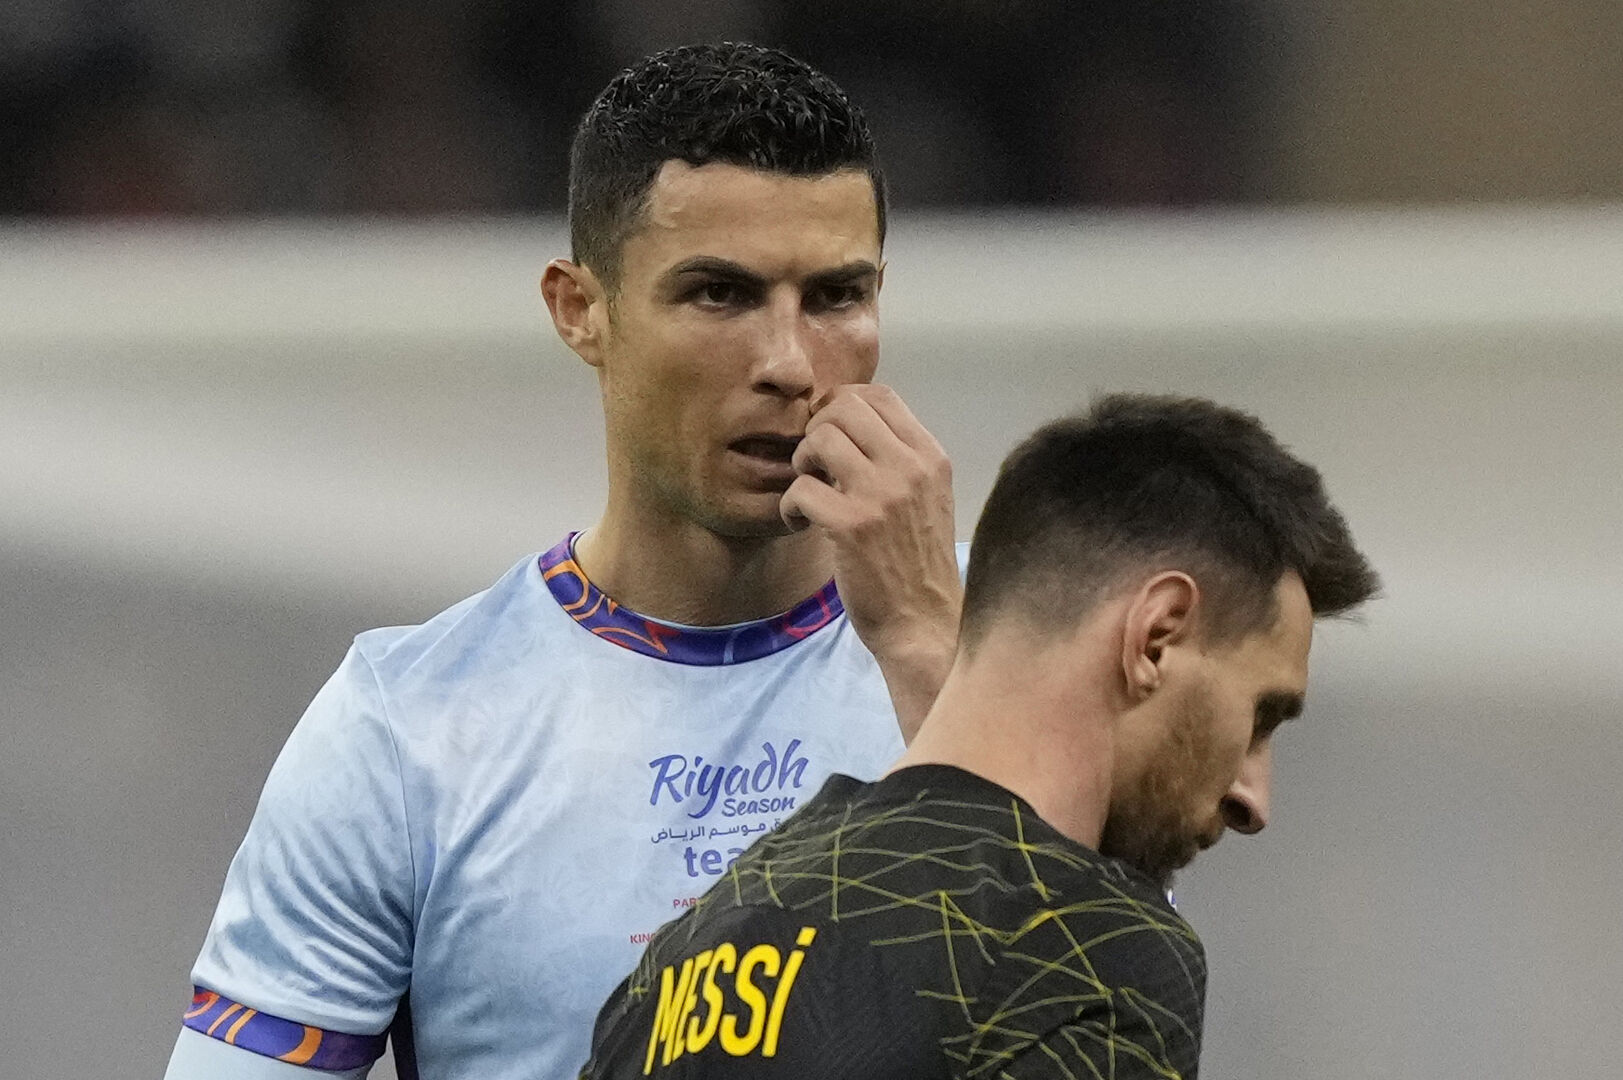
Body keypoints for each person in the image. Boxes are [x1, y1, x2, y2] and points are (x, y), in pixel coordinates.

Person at [164, 43, 963, 1080]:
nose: (788, 363)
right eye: (718, 294)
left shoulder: (1026, 634)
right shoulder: (408, 732)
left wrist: (932, 653)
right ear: (579, 309)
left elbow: (1121, 1024)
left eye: (835, 297)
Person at [580, 394, 1380, 1079]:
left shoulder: (680, 960)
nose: (1253, 797)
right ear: (1156, 637)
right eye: (1260, 717)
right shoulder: (1087, 945)